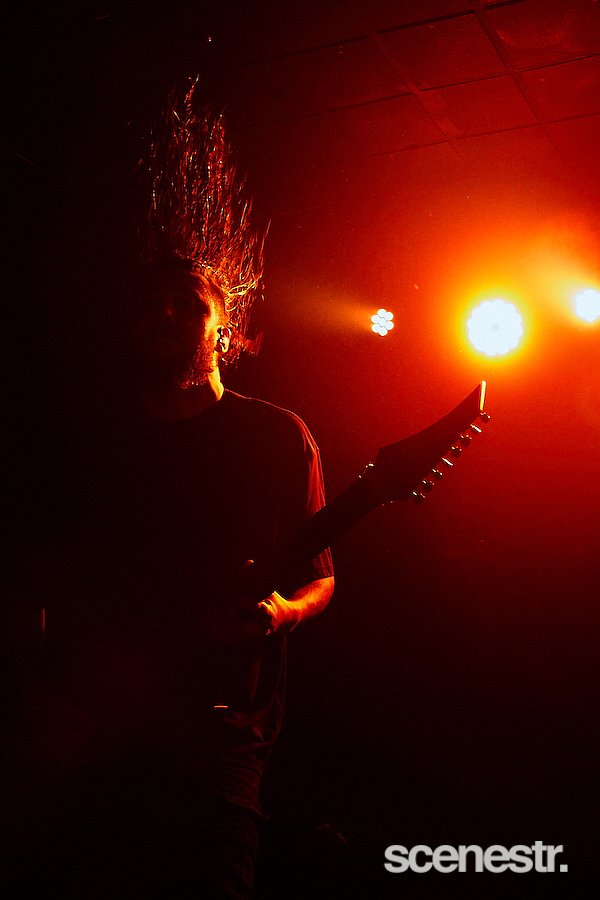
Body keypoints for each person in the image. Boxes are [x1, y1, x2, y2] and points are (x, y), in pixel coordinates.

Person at [5, 83, 333, 898]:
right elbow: (31, 579)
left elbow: (321, 578)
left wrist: (280, 613)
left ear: (222, 327)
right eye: (147, 306)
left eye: (184, 305)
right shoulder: (89, 439)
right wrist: (33, 697)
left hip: (217, 744)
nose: (162, 317)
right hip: (88, 738)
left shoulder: (276, 436)